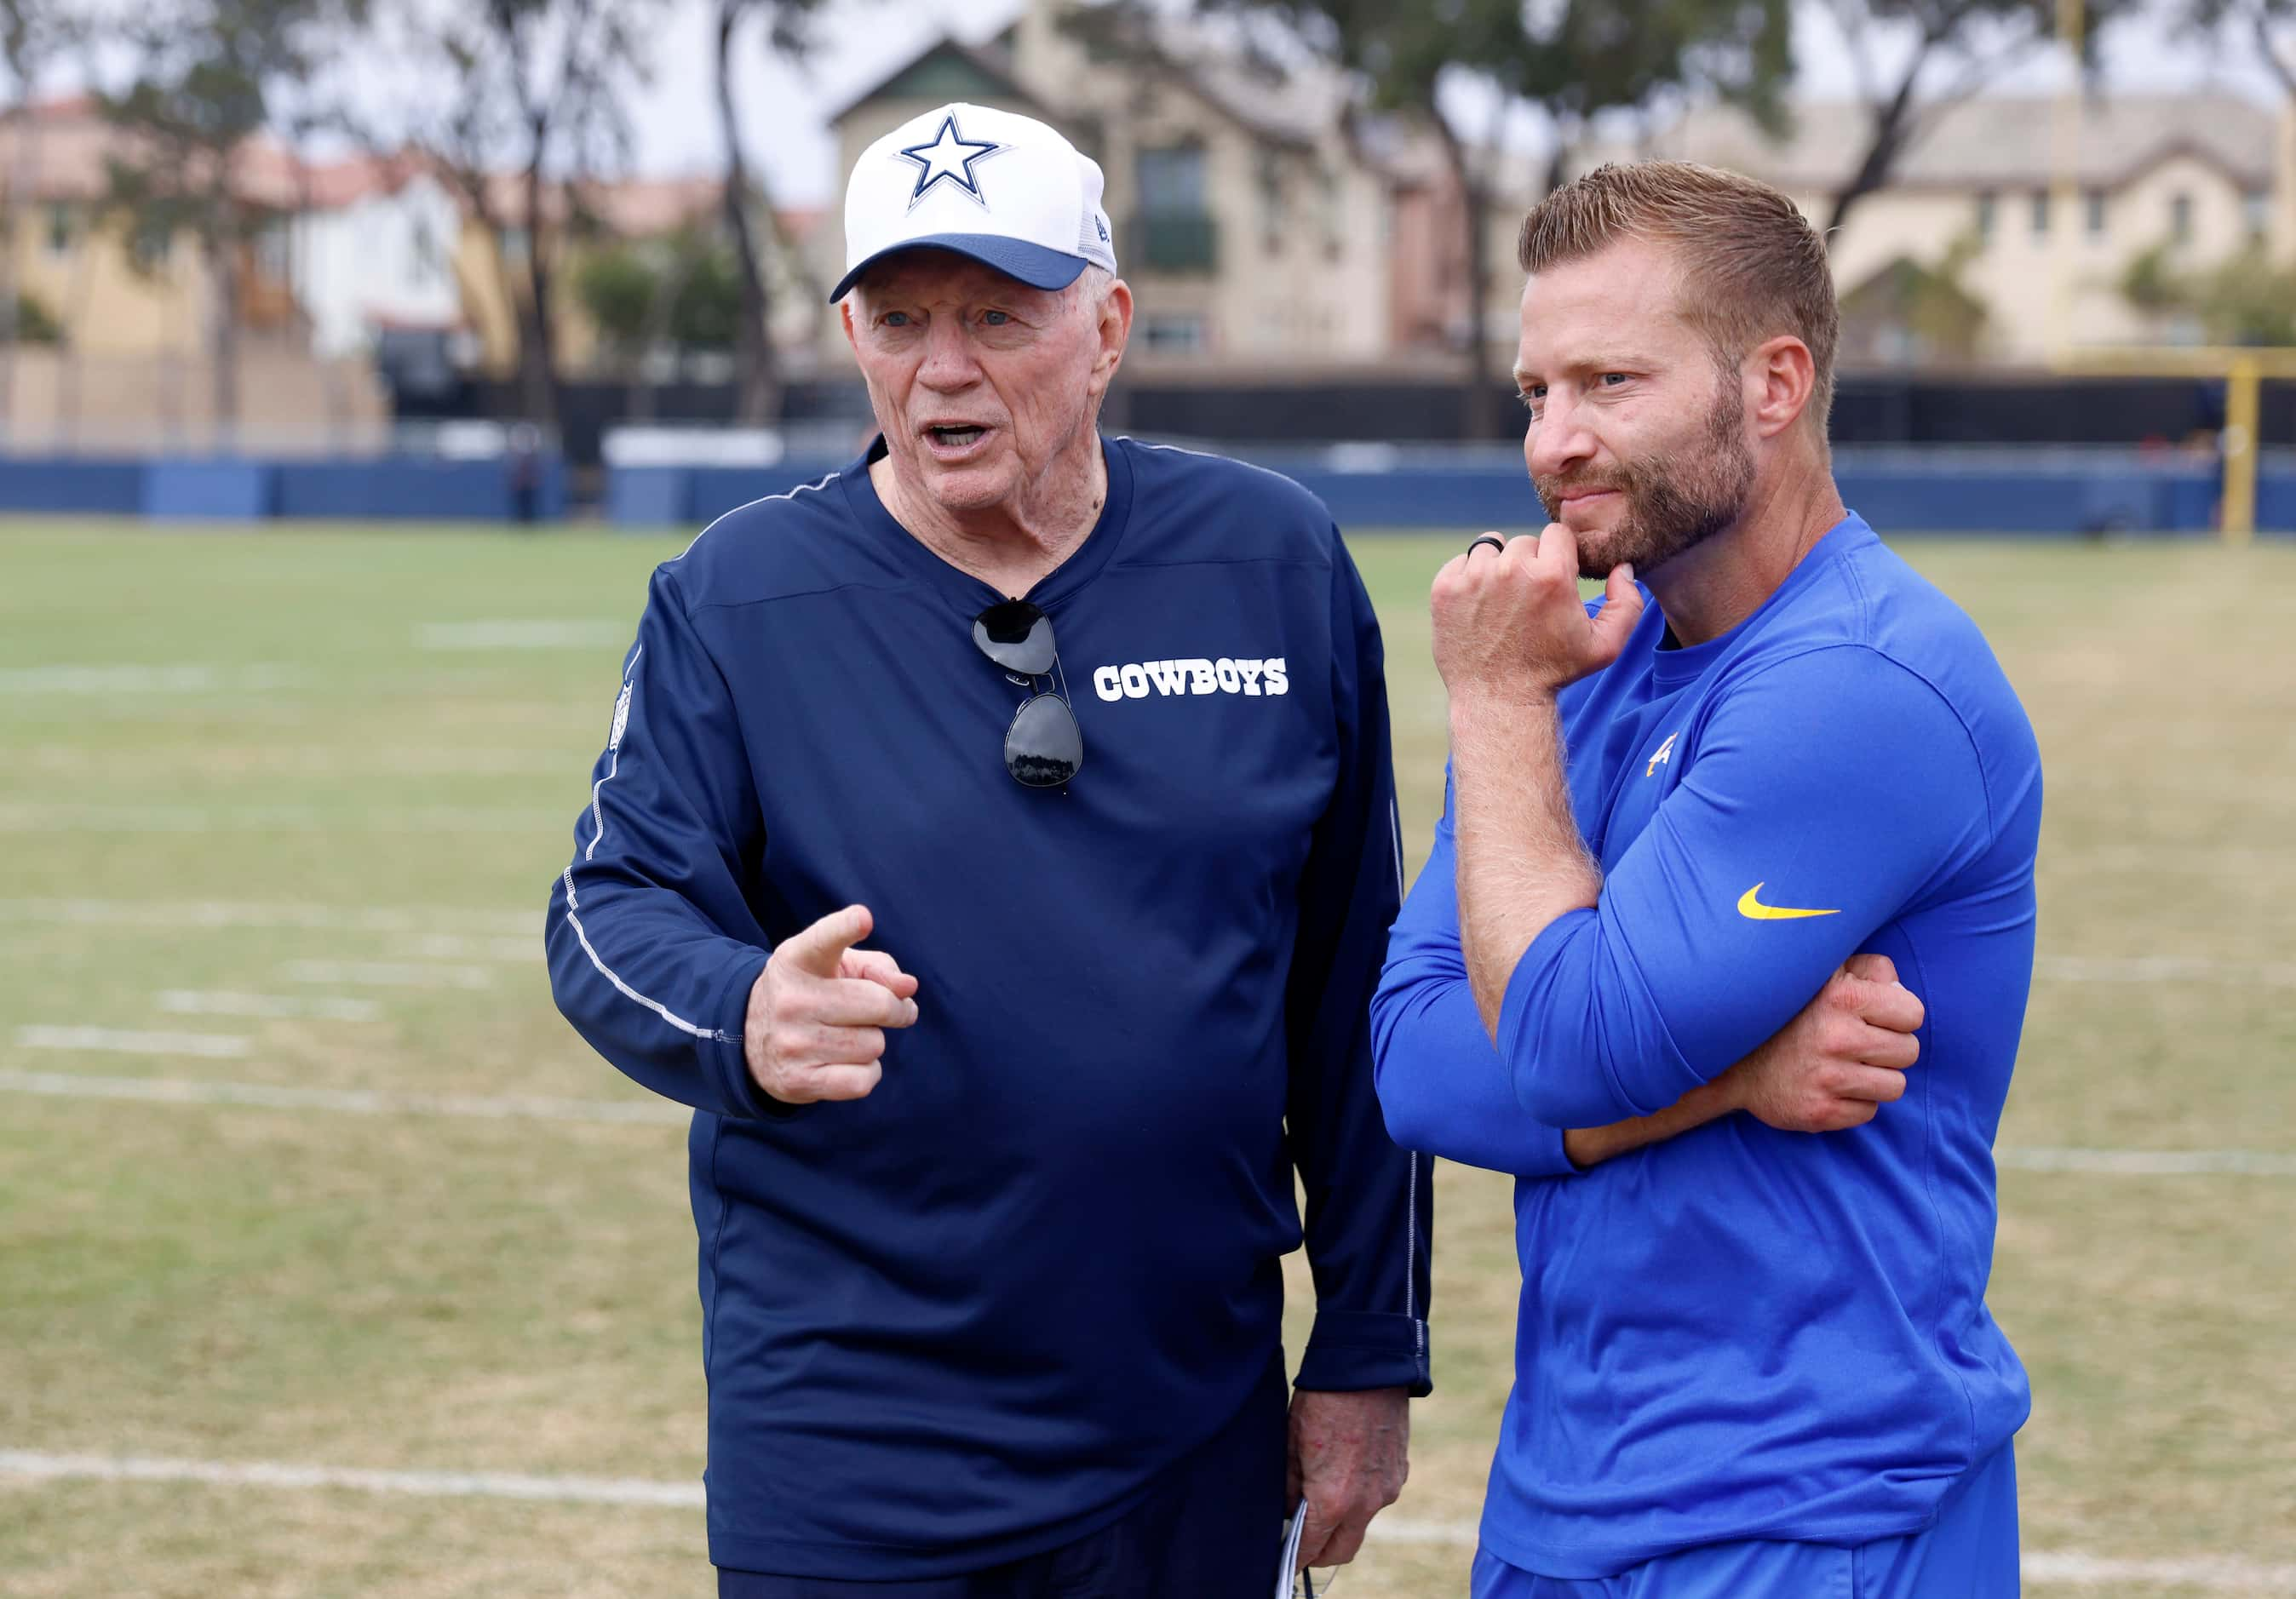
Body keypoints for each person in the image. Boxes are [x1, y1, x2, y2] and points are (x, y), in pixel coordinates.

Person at [543, 100, 1428, 1598]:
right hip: (851, 1445)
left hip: (1189, 1428)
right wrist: (747, 1009)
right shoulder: (736, 597)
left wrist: (1365, 1345)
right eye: (898, 319)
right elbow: (607, 907)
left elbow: (1358, 993)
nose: (940, 368)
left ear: (1108, 326)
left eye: (996, 318)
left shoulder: (1272, 564)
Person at [1371, 160, 2041, 1597]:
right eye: (1535, 391)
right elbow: (1415, 1066)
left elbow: (1559, 1041)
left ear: (1776, 382)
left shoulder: (1860, 681)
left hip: (1815, 1505)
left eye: (1611, 380)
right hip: (1565, 1494)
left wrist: (1492, 710)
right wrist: (1731, 1077)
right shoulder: (1577, 662)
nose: (1554, 441)